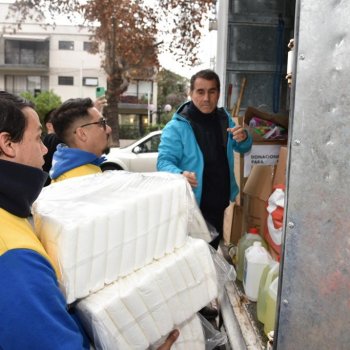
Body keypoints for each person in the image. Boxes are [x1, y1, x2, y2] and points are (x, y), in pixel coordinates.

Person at [0, 92, 179, 349]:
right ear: (8, 143)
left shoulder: (14, 214)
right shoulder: (14, 257)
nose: (44, 149)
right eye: (38, 138)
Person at [157, 69, 253, 250]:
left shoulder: (225, 120)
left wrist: (244, 137)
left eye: (212, 91)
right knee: (191, 258)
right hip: (192, 206)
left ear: (218, 93)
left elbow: (243, 147)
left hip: (219, 202)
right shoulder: (176, 127)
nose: (206, 98)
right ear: (191, 93)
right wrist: (180, 174)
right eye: (200, 92)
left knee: (211, 256)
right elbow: (163, 162)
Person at [49, 97, 111, 182]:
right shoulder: (86, 181)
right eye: (101, 123)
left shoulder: (66, 170)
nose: (108, 129)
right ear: (82, 134)